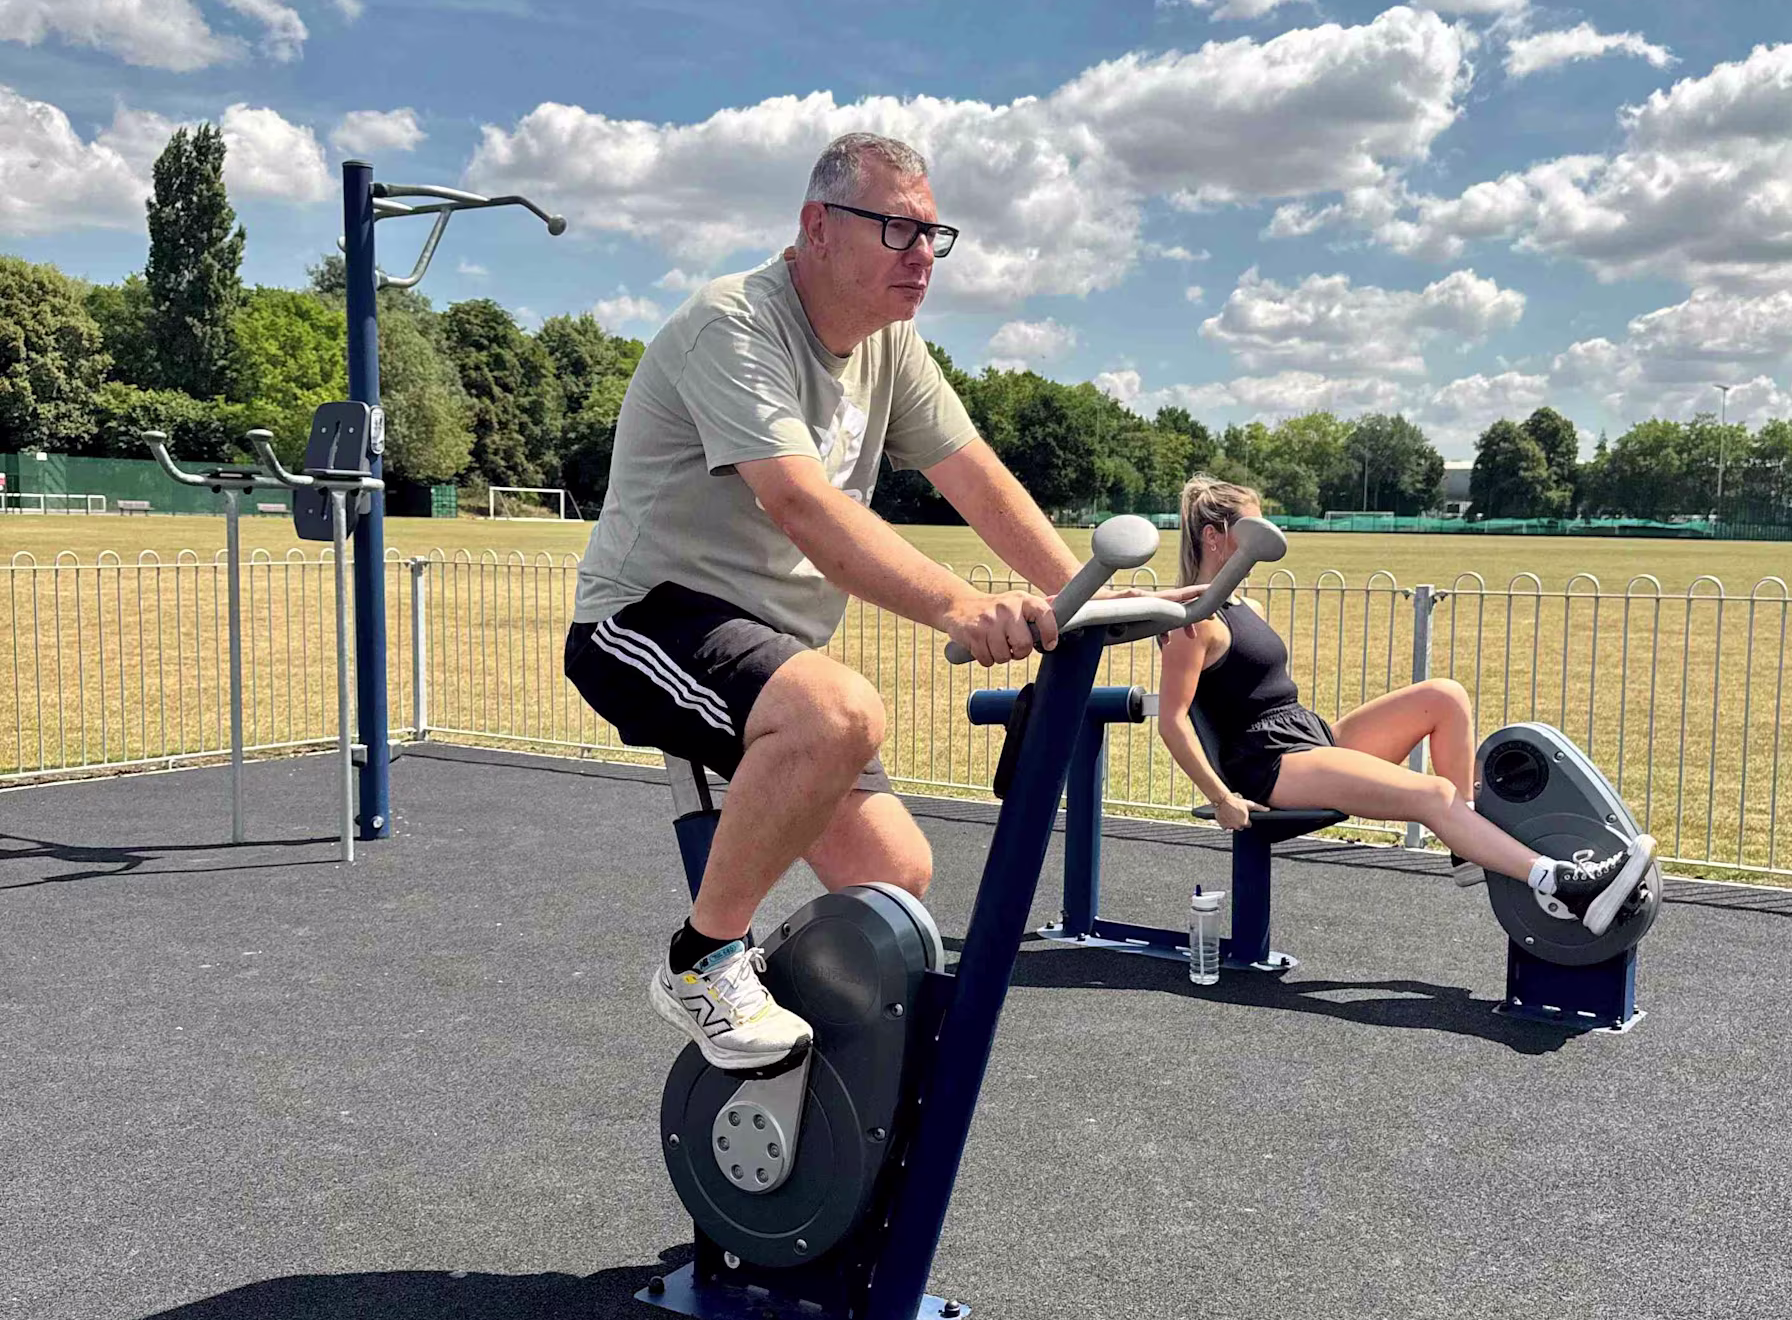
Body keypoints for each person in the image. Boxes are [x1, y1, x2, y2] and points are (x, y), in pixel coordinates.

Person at [565, 132, 1080, 1072]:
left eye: (934, 233)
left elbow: (975, 478)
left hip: (764, 648)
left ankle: (797, 1081)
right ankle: (701, 961)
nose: (923, 254)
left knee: (895, 886)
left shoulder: (892, 347)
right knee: (839, 711)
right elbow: (801, 502)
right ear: (818, 226)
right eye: (897, 228)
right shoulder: (735, 323)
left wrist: (1086, 594)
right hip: (646, 617)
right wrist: (963, 605)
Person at [1155, 478, 1658, 935]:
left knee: (1444, 695)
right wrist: (1222, 798)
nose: (1268, 536)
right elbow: (1174, 723)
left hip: (1307, 734)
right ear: (1214, 537)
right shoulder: (1190, 625)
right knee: (1432, 793)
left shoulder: (1245, 606)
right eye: (1253, 527)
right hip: (1269, 763)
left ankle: (1466, 845)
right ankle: (1565, 886)